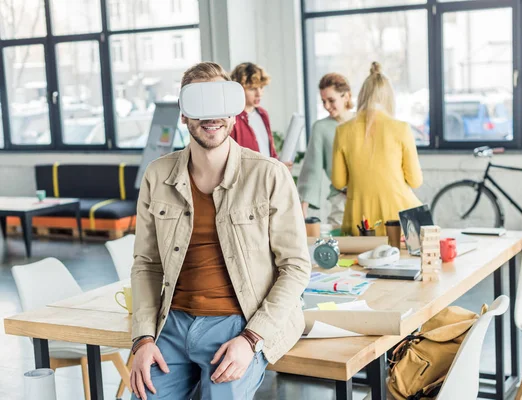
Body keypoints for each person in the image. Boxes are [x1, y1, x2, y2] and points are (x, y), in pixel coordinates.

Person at [129, 61, 311, 400]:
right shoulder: (157, 176)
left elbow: (296, 267)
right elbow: (146, 264)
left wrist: (252, 339)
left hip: (238, 324)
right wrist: (142, 338)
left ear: (233, 110)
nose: (211, 116)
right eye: (199, 104)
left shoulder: (269, 175)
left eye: (219, 104)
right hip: (171, 324)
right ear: (183, 113)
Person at [331, 62, 423, 237]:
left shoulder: (342, 131)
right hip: (401, 224)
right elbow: (415, 181)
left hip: (360, 224)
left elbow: (338, 182)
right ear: (389, 98)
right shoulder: (401, 128)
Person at [297, 73, 354, 227]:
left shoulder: (362, 123)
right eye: (323, 101)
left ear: (346, 96)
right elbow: (312, 168)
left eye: (331, 100)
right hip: (340, 200)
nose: (327, 106)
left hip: (368, 199)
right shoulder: (320, 128)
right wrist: (303, 207)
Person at [229, 62, 277, 158]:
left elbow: (270, 150)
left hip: (267, 171)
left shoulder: (263, 114)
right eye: (252, 89)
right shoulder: (232, 118)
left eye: (261, 87)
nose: (259, 94)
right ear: (239, 89)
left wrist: (279, 165)